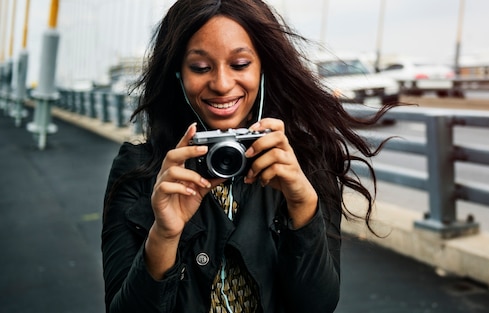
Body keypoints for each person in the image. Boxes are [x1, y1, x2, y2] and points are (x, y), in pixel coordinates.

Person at [101, 0, 394, 312]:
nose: (222, 84)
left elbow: (318, 305)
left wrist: (303, 206)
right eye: (200, 68)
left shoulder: (301, 161)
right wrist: (164, 235)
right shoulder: (140, 170)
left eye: (240, 65)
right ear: (177, 74)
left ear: (264, 68)